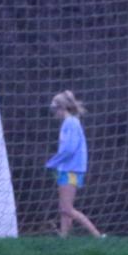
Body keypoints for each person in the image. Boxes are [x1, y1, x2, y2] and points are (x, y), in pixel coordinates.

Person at [45, 91, 104, 238]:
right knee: (64, 209)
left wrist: (52, 162)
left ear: (61, 108)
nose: (54, 114)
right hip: (68, 169)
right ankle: (64, 238)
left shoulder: (70, 123)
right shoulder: (71, 122)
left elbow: (69, 149)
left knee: (67, 208)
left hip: (70, 171)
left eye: (54, 110)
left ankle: (98, 236)